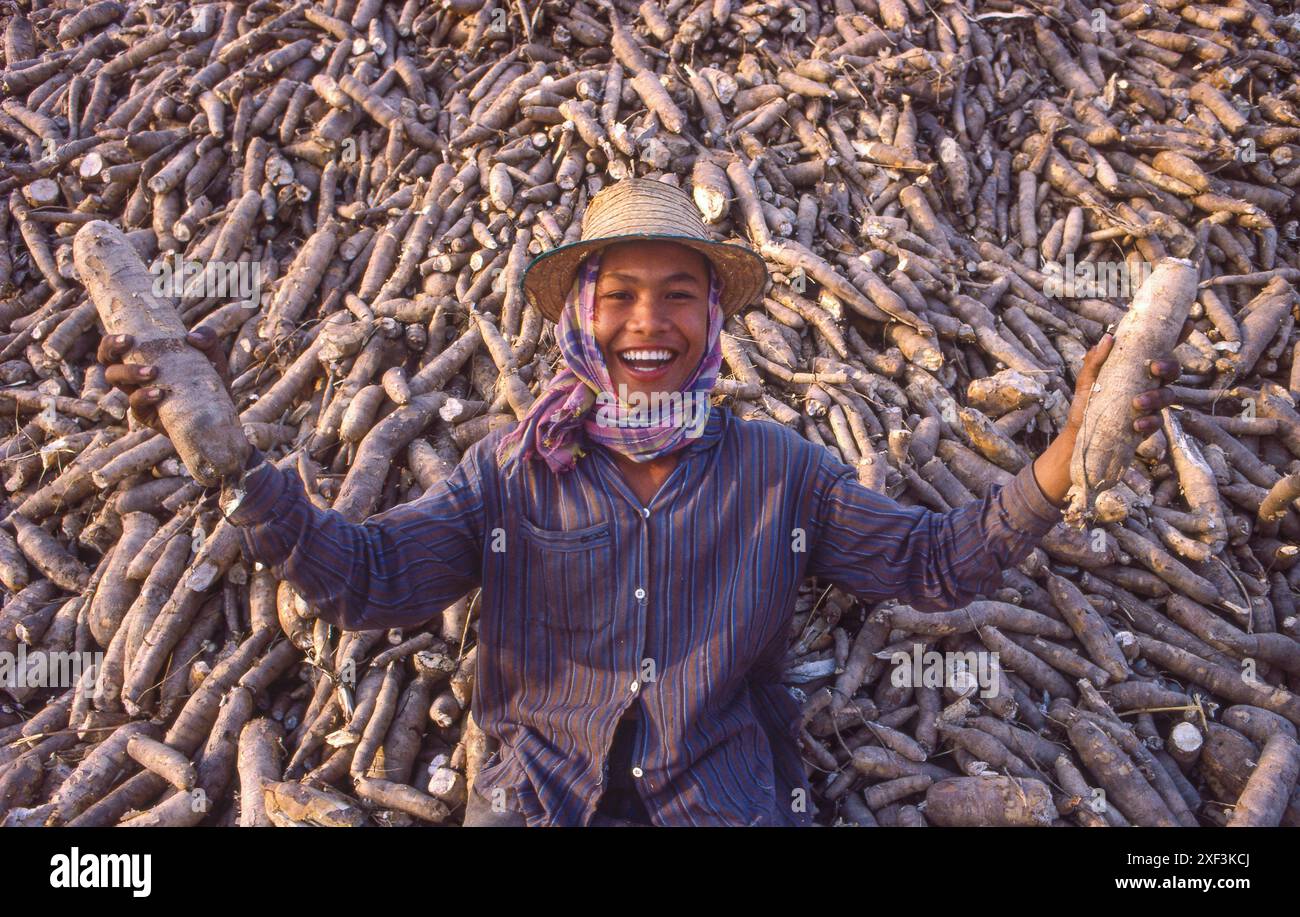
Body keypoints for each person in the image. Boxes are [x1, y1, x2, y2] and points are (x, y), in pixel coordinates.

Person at [98, 178, 1181, 827]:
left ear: (714, 318)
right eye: (617, 295)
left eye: (677, 294)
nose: (645, 323)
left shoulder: (780, 472)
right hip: (535, 799)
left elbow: (938, 563)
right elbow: (369, 580)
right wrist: (233, 465)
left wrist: (1072, 446)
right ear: (580, 314)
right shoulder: (509, 473)